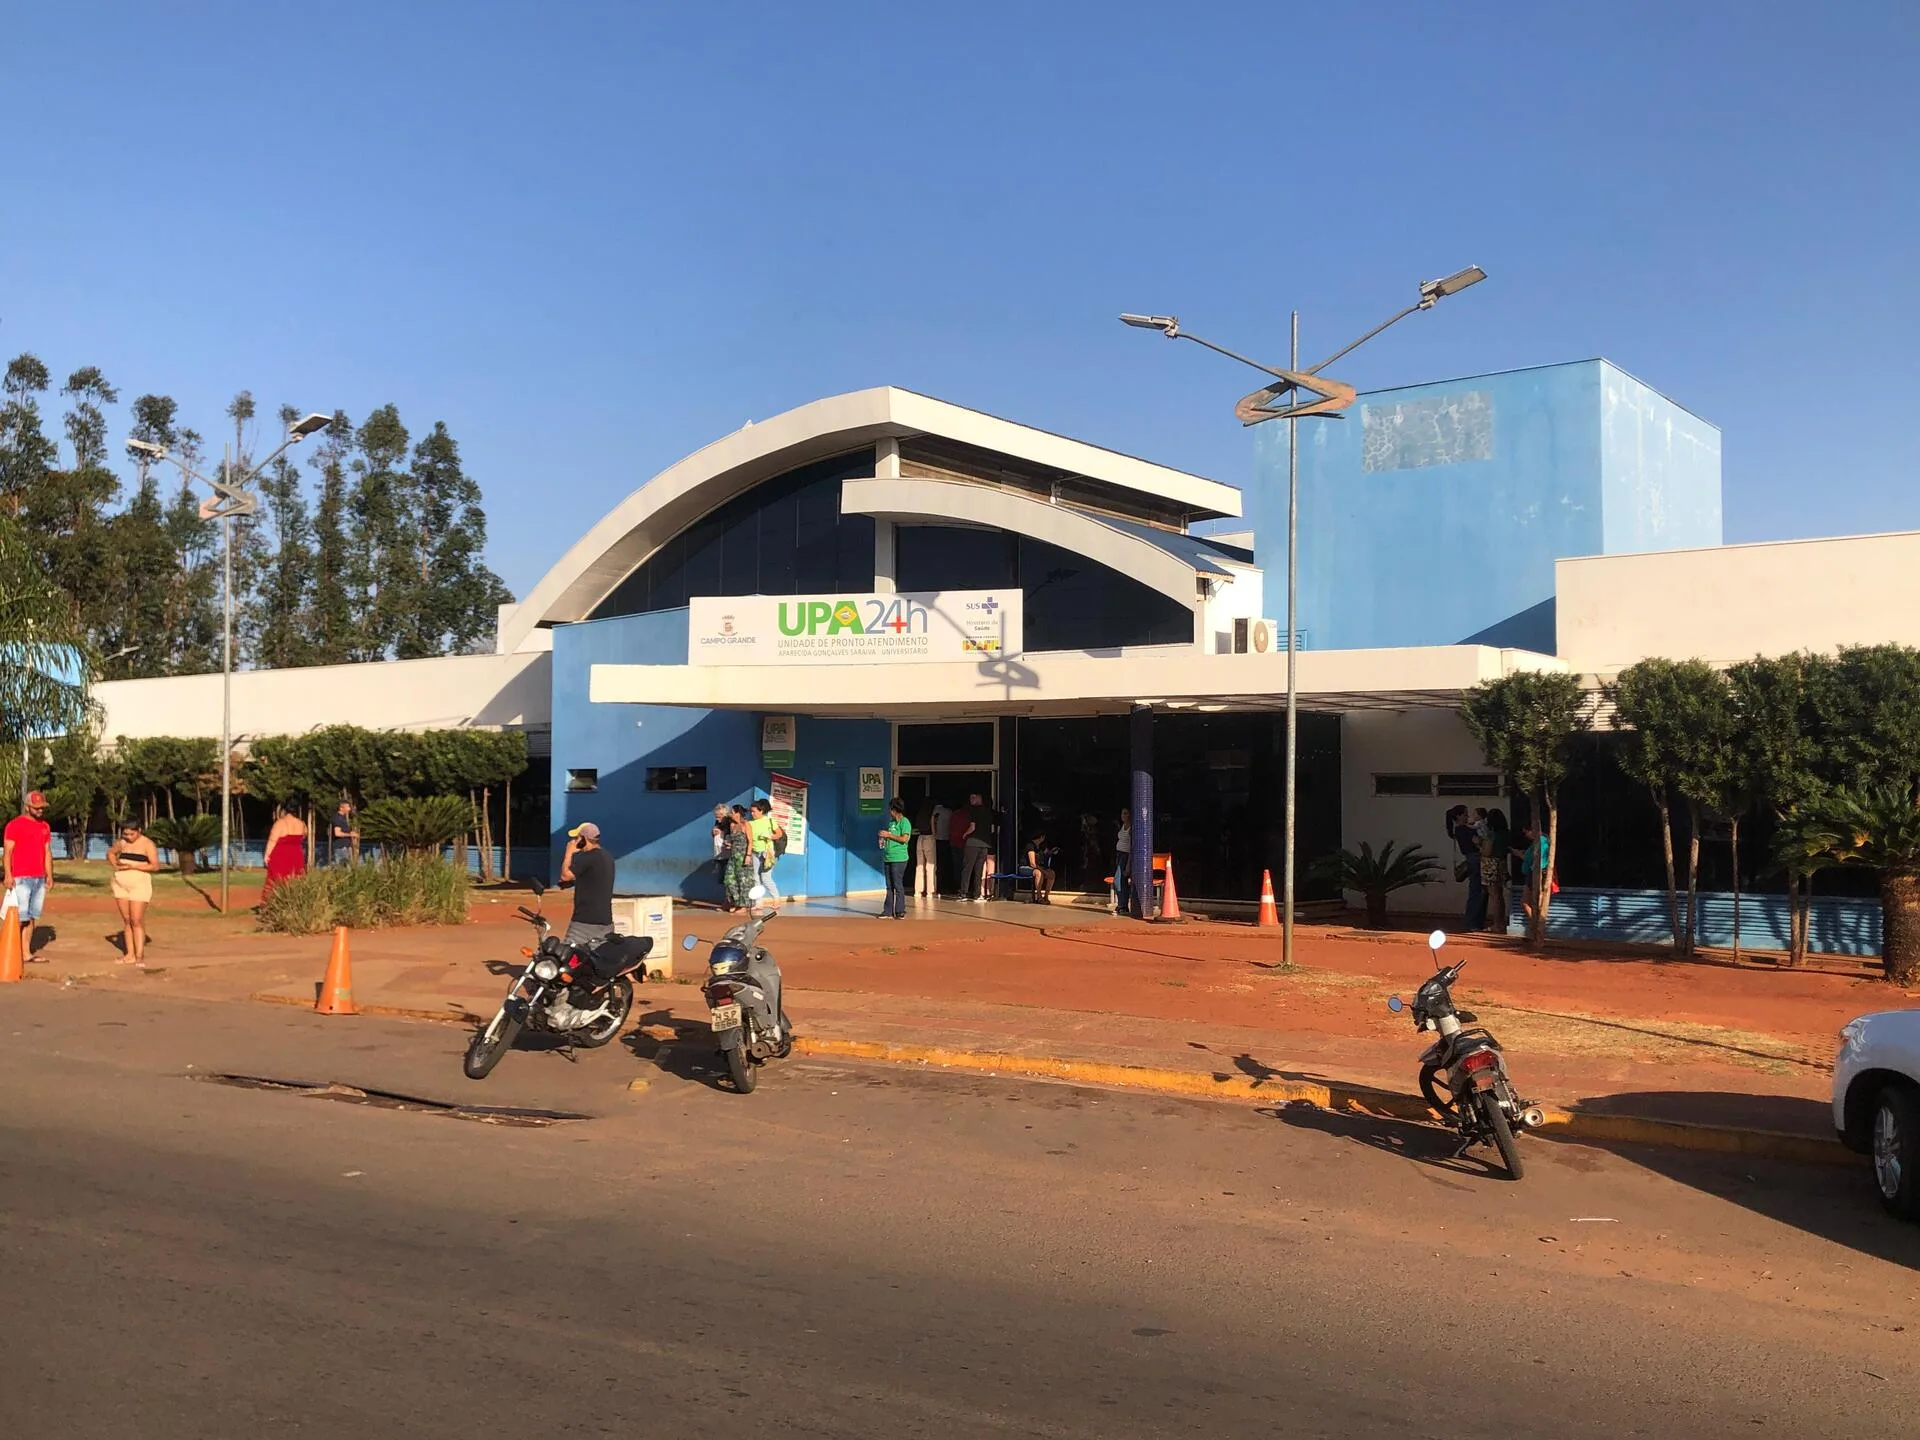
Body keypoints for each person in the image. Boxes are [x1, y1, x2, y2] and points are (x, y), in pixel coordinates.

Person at [3, 791, 54, 961]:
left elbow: (47, 852)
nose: (40, 810)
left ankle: (25, 953)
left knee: (32, 916)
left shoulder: (45, 827)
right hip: (20, 878)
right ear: (27, 807)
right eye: (36, 807)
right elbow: (8, 853)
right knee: (19, 917)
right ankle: (9, 951)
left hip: (39, 877)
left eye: (42, 807)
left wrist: (49, 875)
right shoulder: (14, 825)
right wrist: (8, 875)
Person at [107, 819, 160, 965]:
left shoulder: (147, 844)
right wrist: (116, 864)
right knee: (127, 920)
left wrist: (133, 867)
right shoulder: (122, 843)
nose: (128, 837)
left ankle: (139, 955)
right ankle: (129, 954)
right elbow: (111, 853)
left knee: (136, 920)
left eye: (131, 834)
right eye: (125, 834)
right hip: (121, 883)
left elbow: (155, 866)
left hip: (139, 884)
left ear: (139, 830)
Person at [559, 821, 616, 950]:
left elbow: (565, 875)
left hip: (584, 921)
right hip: (605, 921)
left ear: (584, 839)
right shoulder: (607, 856)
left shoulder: (587, 857)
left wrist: (569, 853)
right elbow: (594, 880)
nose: (574, 841)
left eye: (577, 838)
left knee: (567, 955)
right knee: (596, 958)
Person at [1447, 804, 1486, 931]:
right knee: (1477, 891)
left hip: (1471, 858)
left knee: (1478, 891)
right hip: (1475, 858)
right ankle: (1472, 922)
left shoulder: (1459, 830)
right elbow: (1478, 841)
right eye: (1465, 814)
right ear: (1458, 816)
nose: (1467, 817)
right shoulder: (1464, 829)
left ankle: (1475, 922)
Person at [263, 805, 308, 898]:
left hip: (281, 855)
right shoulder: (302, 824)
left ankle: (274, 903)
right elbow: (303, 836)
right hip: (296, 854)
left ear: (284, 811)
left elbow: (272, 840)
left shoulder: (280, 823)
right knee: (296, 878)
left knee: (277, 879)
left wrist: (267, 855)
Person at [878, 798, 912, 919]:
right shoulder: (891, 823)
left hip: (899, 858)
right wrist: (883, 837)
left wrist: (889, 835)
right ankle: (887, 911)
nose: (889, 811)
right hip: (888, 857)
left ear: (894, 810)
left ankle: (900, 910)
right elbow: (890, 837)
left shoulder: (905, 822)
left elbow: (904, 839)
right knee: (889, 885)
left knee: (897, 884)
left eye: (890, 809)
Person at [1480, 807, 1512, 935]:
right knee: (1500, 895)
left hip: (1491, 864)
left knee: (1494, 896)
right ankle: (1501, 923)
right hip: (1502, 863)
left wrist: (1479, 845)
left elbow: (1487, 852)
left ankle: (1496, 924)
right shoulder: (1507, 834)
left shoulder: (1491, 835)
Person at [1519, 820, 1552, 933]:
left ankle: (1537, 926)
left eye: (1526, 832)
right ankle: (1536, 926)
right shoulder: (1540, 841)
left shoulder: (1541, 842)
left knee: (1530, 901)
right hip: (1534, 873)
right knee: (1531, 901)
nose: (1526, 835)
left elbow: (1539, 860)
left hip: (1537, 873)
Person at [749, 798, 784, 903]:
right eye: (751, 811)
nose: (752, 813)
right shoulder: (750, 823)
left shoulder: (770, 821)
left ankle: (776, 899)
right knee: (755, 877)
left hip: (767, 853)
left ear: (761, 811)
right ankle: (758, 902)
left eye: (754, 811)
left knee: (765, 878)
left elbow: (779, 833)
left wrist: (770, 836)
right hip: (755, 852)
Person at [959, 791, 991, 902]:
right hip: (985, 844)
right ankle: (977, 894)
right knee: (979, 870)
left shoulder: (973, 811)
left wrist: (965, 834)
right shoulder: (988, 811)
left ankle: (963, 893)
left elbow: (972, 827)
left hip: (972, 843)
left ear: (979, 797)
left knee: (967, 868)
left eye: (973, 797)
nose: (971, 799)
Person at [942, 799, 968, 899]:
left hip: (953, 842)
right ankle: (962, 888)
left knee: (956, 866)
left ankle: (955, 887)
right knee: (964, 867)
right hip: (963, 843)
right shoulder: (967, 815)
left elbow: (950, 827)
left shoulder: (954, 815)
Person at [1025, 833, 1057, 904]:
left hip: (1039, 867)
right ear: (1041, 837)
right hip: (1026, 867)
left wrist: (1052, 852)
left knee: (1052, 873)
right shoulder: (1030, 846)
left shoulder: (1041, 846)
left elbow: (1047, 854)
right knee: (1039, 873)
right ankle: (1039, 897)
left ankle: (1046, 896)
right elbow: (1032, 864)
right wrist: (1044, 871)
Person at [1113, 808, 1133, 916]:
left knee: (1118, 880)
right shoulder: (1122, 826)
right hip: (1119, 854)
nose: (1124, 815)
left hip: (1125, 856)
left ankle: (1123, 904)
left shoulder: (1131, 828)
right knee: (1121, 881)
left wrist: (1128, 864)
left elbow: (1131, 847)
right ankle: (1122, 904)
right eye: (1122, 813)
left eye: (1126, 813)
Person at [710, 803, 734, 892]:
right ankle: (727, 900)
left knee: (728, 878)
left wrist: (722, 833)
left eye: (719, 816)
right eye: (716, 816)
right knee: (723, 879)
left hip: (727, 853)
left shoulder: (729, 823)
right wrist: (713, 833)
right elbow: (714, 834)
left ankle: (730, 901)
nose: (717, 818)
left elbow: (731, 836)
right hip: (719, 853)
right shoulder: (718, 822)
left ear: (725, 815)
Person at [330, 795, 358, 865]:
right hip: (341, 848)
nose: (349, 809)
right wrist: (350, 834)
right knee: (343, 868)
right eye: (347, 807)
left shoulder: (342, 818)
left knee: (346, 868)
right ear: (341, 808)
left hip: (344, 847)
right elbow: (337, 833)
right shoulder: (338, 818)